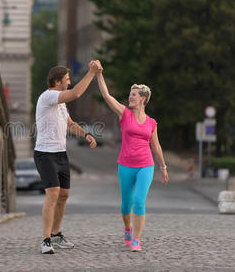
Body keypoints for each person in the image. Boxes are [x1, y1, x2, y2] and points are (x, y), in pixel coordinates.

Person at [94, 60, 169, 252]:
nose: (130, 97)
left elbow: (156, 146)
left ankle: (136, 239)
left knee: (138, 201)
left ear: (143, 98)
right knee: (126, 204)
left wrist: (163, 167)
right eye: (130, 94)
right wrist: (99, 74)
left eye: (134, 95)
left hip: (146, 165)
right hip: (126, 165)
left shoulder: (152, 122)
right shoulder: (123, 113)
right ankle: (127, 229)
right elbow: (106, 95)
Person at [34, 62, 100, 254]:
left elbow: (70, 124)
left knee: (64, 195)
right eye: (67, 79)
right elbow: (76, 94)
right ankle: (45, 241)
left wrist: (86, 135)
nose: (70, 82)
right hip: (45, 153)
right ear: (57, 81)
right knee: (53, 192)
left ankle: (56, 234)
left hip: (61, 153)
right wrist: (92, 72)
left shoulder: (60, 103)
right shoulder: (48, 96)